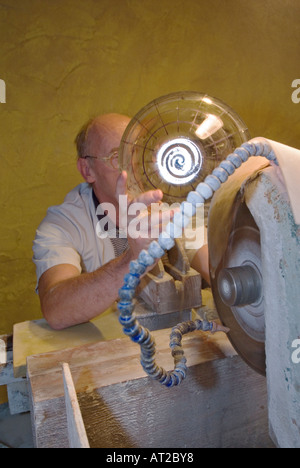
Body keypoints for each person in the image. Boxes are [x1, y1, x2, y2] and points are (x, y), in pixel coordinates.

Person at [33, 113, 209, 330]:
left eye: (137, 152)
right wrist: (133, 260)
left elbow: (215, 266)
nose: (133, 166)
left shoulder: (168, 204)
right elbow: (56, 310)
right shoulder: (63, 224)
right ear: (87, 170)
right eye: (117, 156)